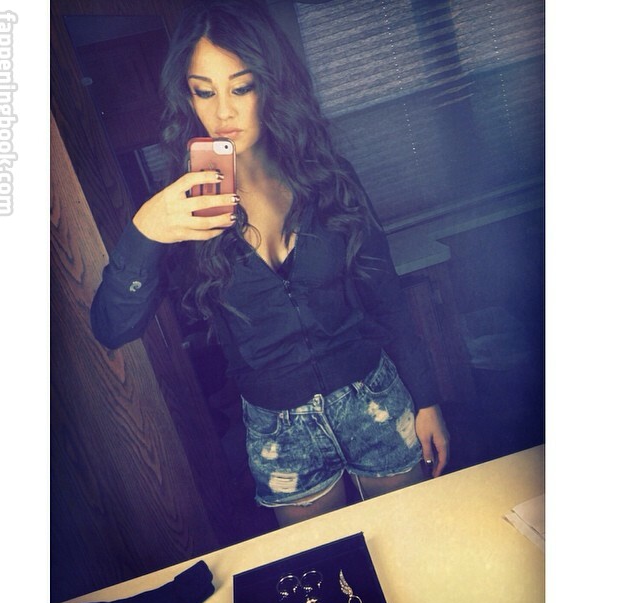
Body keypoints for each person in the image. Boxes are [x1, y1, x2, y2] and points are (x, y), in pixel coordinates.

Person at [90, 0, 450, 527]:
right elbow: (111, 326)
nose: (223, 112)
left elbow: (386, 296)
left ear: (271, 85)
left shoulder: (329, 179)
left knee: (413, 541)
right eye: (204, 91)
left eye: (241, 87)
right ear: (186, 96)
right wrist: (144, 229)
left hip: (375, 400)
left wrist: (428, 399)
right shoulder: (179, 211)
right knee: (322, 570)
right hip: (281, 436)